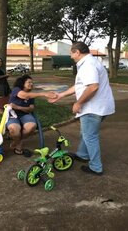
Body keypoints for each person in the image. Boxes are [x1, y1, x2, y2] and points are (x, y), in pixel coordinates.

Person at [49, 42, 115, 176]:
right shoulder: (90, 63)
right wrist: (61, 95)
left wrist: (78, 103)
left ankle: (96, 167)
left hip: (93, 108)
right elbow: (80, 86)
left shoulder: (88, 65)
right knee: (87, 133)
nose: (71, 57)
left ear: (77, 52)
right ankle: (83, 154)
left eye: (71, 54)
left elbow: (93, 87)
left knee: (90, 136)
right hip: (99, 107)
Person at [7, 74, 57, 156]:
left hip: (25, 115)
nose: (31, 84)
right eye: (29, 82)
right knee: (14, 130)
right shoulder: (16, 90)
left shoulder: (31, 95)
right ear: (22, 83)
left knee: (32, 126)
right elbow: (24, 95)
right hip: (13, 115)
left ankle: (16, 142)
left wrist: (18, 107)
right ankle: (18, 143)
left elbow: (31, 108)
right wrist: (43, 94)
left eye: (32, 83)